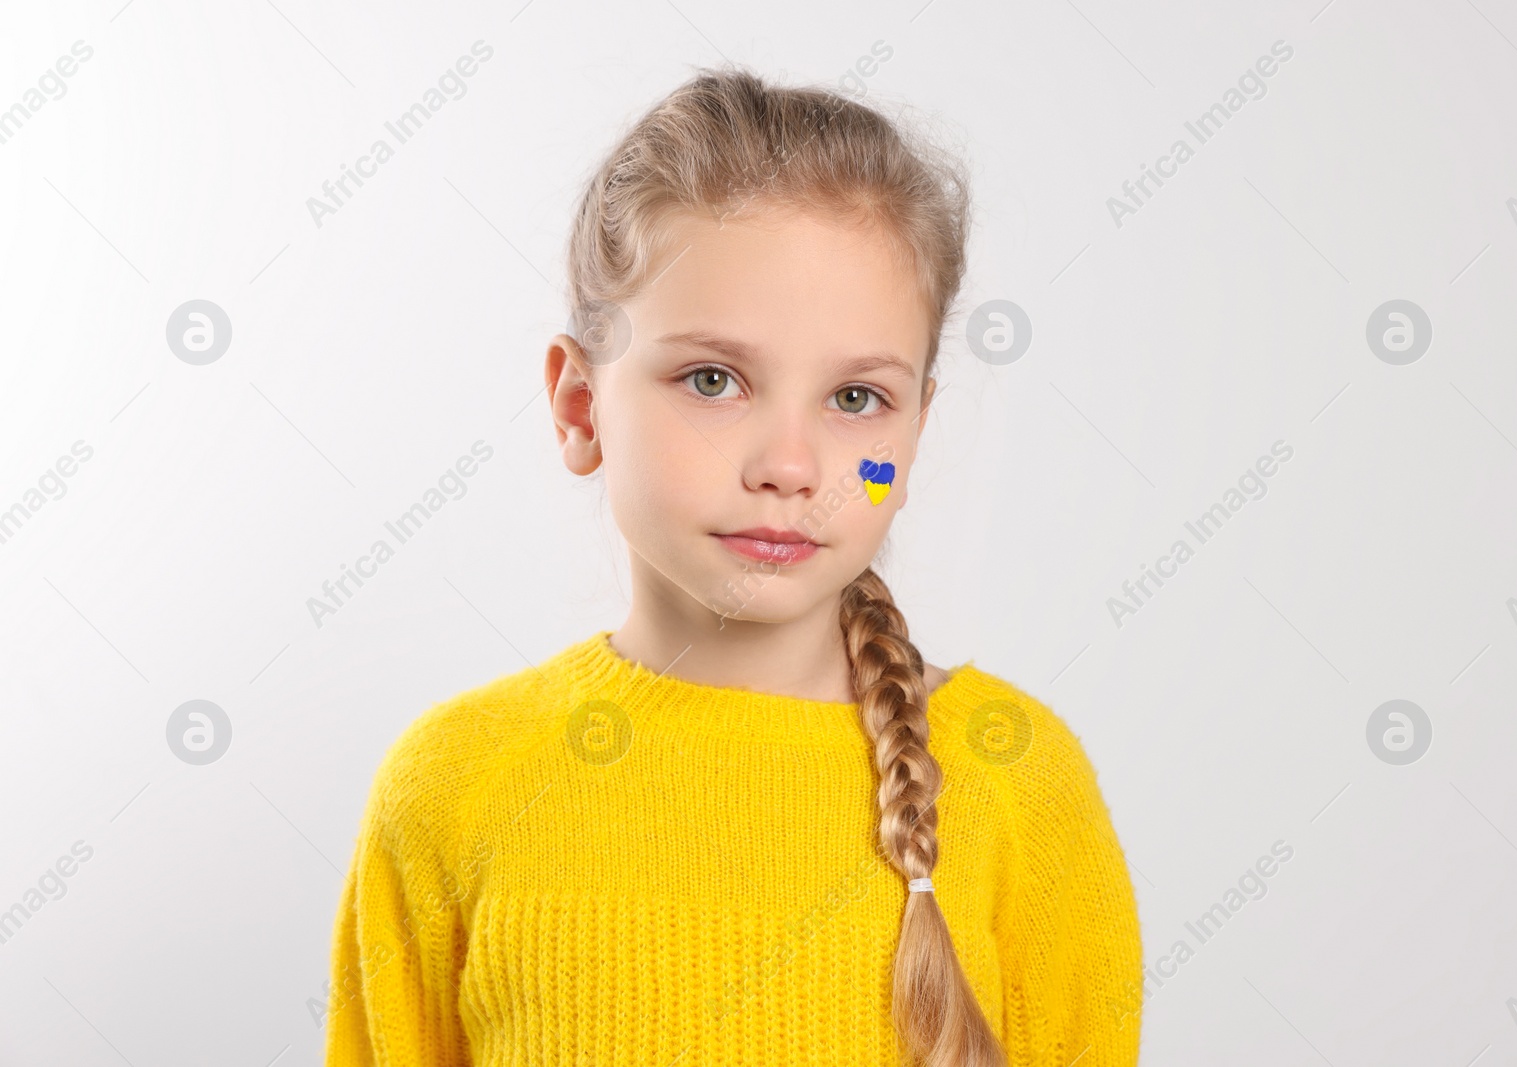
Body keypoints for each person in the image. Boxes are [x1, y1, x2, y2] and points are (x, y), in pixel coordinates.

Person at [323, 64, 1142, 1066]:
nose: (789, 466)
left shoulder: (1017, 780)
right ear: (580, 408)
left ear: (916, 432)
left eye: (855, 400)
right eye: (712, 380)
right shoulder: (453, 787)